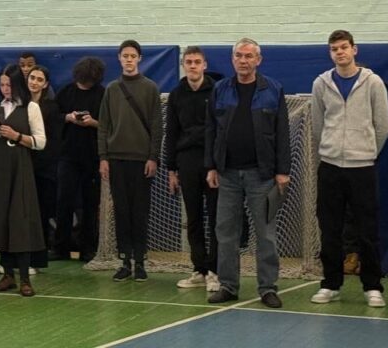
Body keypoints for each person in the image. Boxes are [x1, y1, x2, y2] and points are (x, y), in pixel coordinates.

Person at [309, 30, 388, 307]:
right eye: (335, 49)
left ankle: (372, 286)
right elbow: (318, 124)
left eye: (344, 47)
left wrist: (366, 151)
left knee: (367, 229)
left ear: (354, 50)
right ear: (330, 53)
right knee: (329, 228)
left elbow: (383, 125)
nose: (340, 52)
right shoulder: (321, 83)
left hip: (362, 167)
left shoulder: (373, 82)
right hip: (330, 166)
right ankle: (330, 284)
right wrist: (331, 148)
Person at [206, 38, 290, 308]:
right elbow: (211, 130)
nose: (243, 60)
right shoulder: (220, 89)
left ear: (258, 60)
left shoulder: (273, 90)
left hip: (262, 176)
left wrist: (282, 171)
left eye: (249, 56)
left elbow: (282, 133)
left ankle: (267, 288)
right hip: (227, 174)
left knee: (266, 234)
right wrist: (211, 166)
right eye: (239, 56)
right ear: (233, 59)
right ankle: (228, 286)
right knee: (226, 233)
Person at [97, 40, 163, 282]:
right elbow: (103, 126)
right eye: (125, 55)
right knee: (122, 212)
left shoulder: (150, 88)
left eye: (133, 56)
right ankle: (124, 260)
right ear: (119, 58)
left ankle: (140, 261)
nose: (129, 59)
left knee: (140, 212)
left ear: (139, 59)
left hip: (142, 160)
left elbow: (157, 127)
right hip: (116, 159)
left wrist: (153, 157)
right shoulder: (112, 89)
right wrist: (103, 157)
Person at [0, 64, 47, 297]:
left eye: (9, 84)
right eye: (2, 85)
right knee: (0, 218)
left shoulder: (31, 108)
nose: (5, 89)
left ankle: (25, 278)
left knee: (20, 219)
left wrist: (16, 136)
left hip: (20, 169)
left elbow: (40, 142)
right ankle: (7, 274)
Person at [165, 46, 223, 292]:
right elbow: (172, 132)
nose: (192, 66)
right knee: (194, 218)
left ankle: (215, 271)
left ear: (204, 65)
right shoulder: (176, 95)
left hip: (212, 163)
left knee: (216, 218)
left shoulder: (218, 91)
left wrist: (217, 164)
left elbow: (222, 129)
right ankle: (199, 269)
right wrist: (171, 169)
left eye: (197, 62)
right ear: (183, 65)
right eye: (188, 62)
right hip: (187, 161)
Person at [53, 56, 105, 263]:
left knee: (90, 204)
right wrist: (68, 117)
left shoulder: (102, 94)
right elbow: (53, 117)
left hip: (93, 157)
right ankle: (60, 247)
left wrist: (93, 122)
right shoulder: (66, 92)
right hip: (68, 156)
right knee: (63, 201)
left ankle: (88, 249)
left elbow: (108, 124)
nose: (86, 85)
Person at [26, 64, 61, 269]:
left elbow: (53, 142)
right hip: (23, 166)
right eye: (32, 78)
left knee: (41, 213)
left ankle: (38, 258)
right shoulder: (20, 104)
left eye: (39, 79)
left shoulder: (51, 108)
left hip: (44, 170)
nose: (34, 82)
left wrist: (41, 164)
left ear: (46, 84)